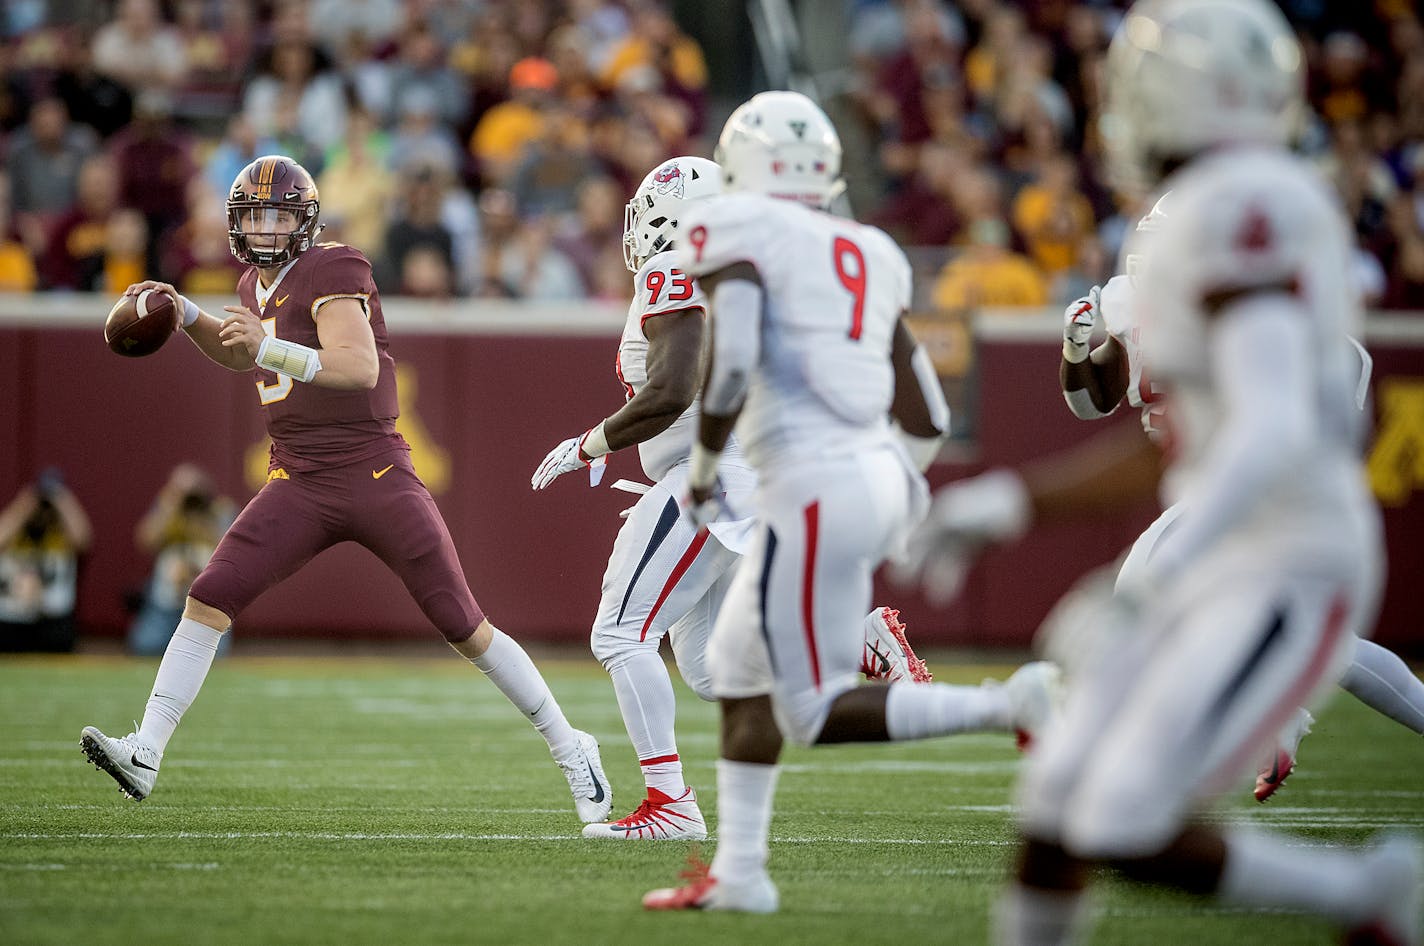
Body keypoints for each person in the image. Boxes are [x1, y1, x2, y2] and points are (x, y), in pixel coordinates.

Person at [899, 3, 1421, 942]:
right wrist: (1013, 502)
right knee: (1057, 799)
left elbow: (1262, 429)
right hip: (1233, 520)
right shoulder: (1202, 225)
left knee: (1117, 817)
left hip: (1280, 545)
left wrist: (1159, 584)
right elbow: (1158, 432)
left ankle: (1369, 895)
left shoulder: (1244, 207)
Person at [80, 155, 611, 826]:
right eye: (253, 217)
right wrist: (187, 314)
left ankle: (571, 745)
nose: (265, 230)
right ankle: (146, 751)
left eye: (278, 217)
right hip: (298, 477)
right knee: (210, 595)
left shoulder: (334, 267)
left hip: (373, 472)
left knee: (462, 624)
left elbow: (356, 368)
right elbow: (245, 351)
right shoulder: (251, 283)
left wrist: (267, 349)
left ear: (304, 222)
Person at [637, 92, 1059, 912]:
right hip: (871, 475)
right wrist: (891, 479)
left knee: (811, 708)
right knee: (733, 663)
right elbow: (927, 412)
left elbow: (729, 367)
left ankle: (1010, 702)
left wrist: (703, 468)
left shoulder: (737, 230)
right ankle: (741, 874)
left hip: (813, 481)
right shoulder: (872, 249)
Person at [531, 155, 933, 842]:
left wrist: (587, 445)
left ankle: (670, 804)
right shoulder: (737, 274)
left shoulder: (677, 270)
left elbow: (672, 390)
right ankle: (849, 645)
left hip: (705, 472)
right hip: (735, 474)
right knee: (713, 669)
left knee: (620, 633)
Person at [1059, 197, 1424, 803]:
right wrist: (1075, 352)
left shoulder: (1244, 308)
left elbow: (1343, 368)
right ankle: (1273, 722)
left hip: (1255, 476)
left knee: (1138, 596)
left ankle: (1148, 776)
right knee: (1314, 642)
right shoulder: (1132, 302)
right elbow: (1090, 402)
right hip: (1214, 481)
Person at [127, 464, 234, 657]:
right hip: (166, 600)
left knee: (214, 654)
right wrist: (172, 503)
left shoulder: (220, 511)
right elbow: (145, 540)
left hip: (206, 604)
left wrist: (202, 518)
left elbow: (231, 549)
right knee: (146, 645)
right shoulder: (166, 510)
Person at [0, 469, 91, 653]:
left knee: (59, 640)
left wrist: (62, 500)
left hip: (52, 616)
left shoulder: (62, 533)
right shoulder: (18, 530)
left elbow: (83, 539)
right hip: (12, 615)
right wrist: (25, 505)